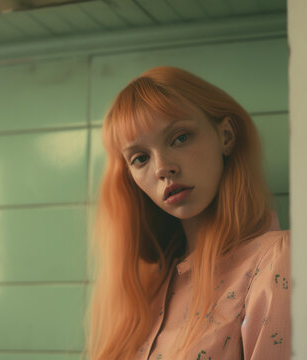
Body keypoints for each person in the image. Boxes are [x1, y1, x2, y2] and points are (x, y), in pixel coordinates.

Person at [87, 66, 291, 359]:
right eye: (140, 158)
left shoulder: (274, 260)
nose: (162, 168)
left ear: (226, 136)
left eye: (180, 137)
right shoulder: (146, 287)